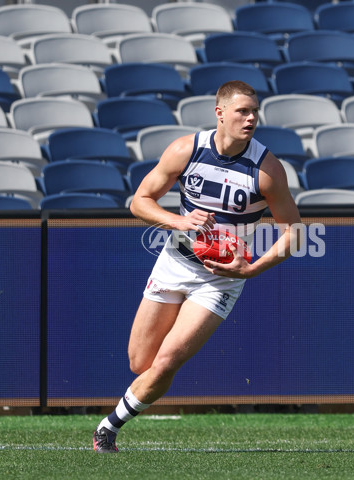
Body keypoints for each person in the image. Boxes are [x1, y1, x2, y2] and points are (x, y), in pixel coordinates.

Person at [93, 80, 301, 453]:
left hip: (220, 280)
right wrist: (177, 221)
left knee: (167, 360)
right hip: (175, 261)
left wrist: (253, 269)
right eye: (243, 111)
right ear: (219, 113)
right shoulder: (185, 150)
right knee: (141, 362)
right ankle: (131, 404)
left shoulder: (266, 169)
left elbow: (295, 232)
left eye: (254, 111)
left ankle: (107, 429)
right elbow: (139, 201)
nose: (252, 118)